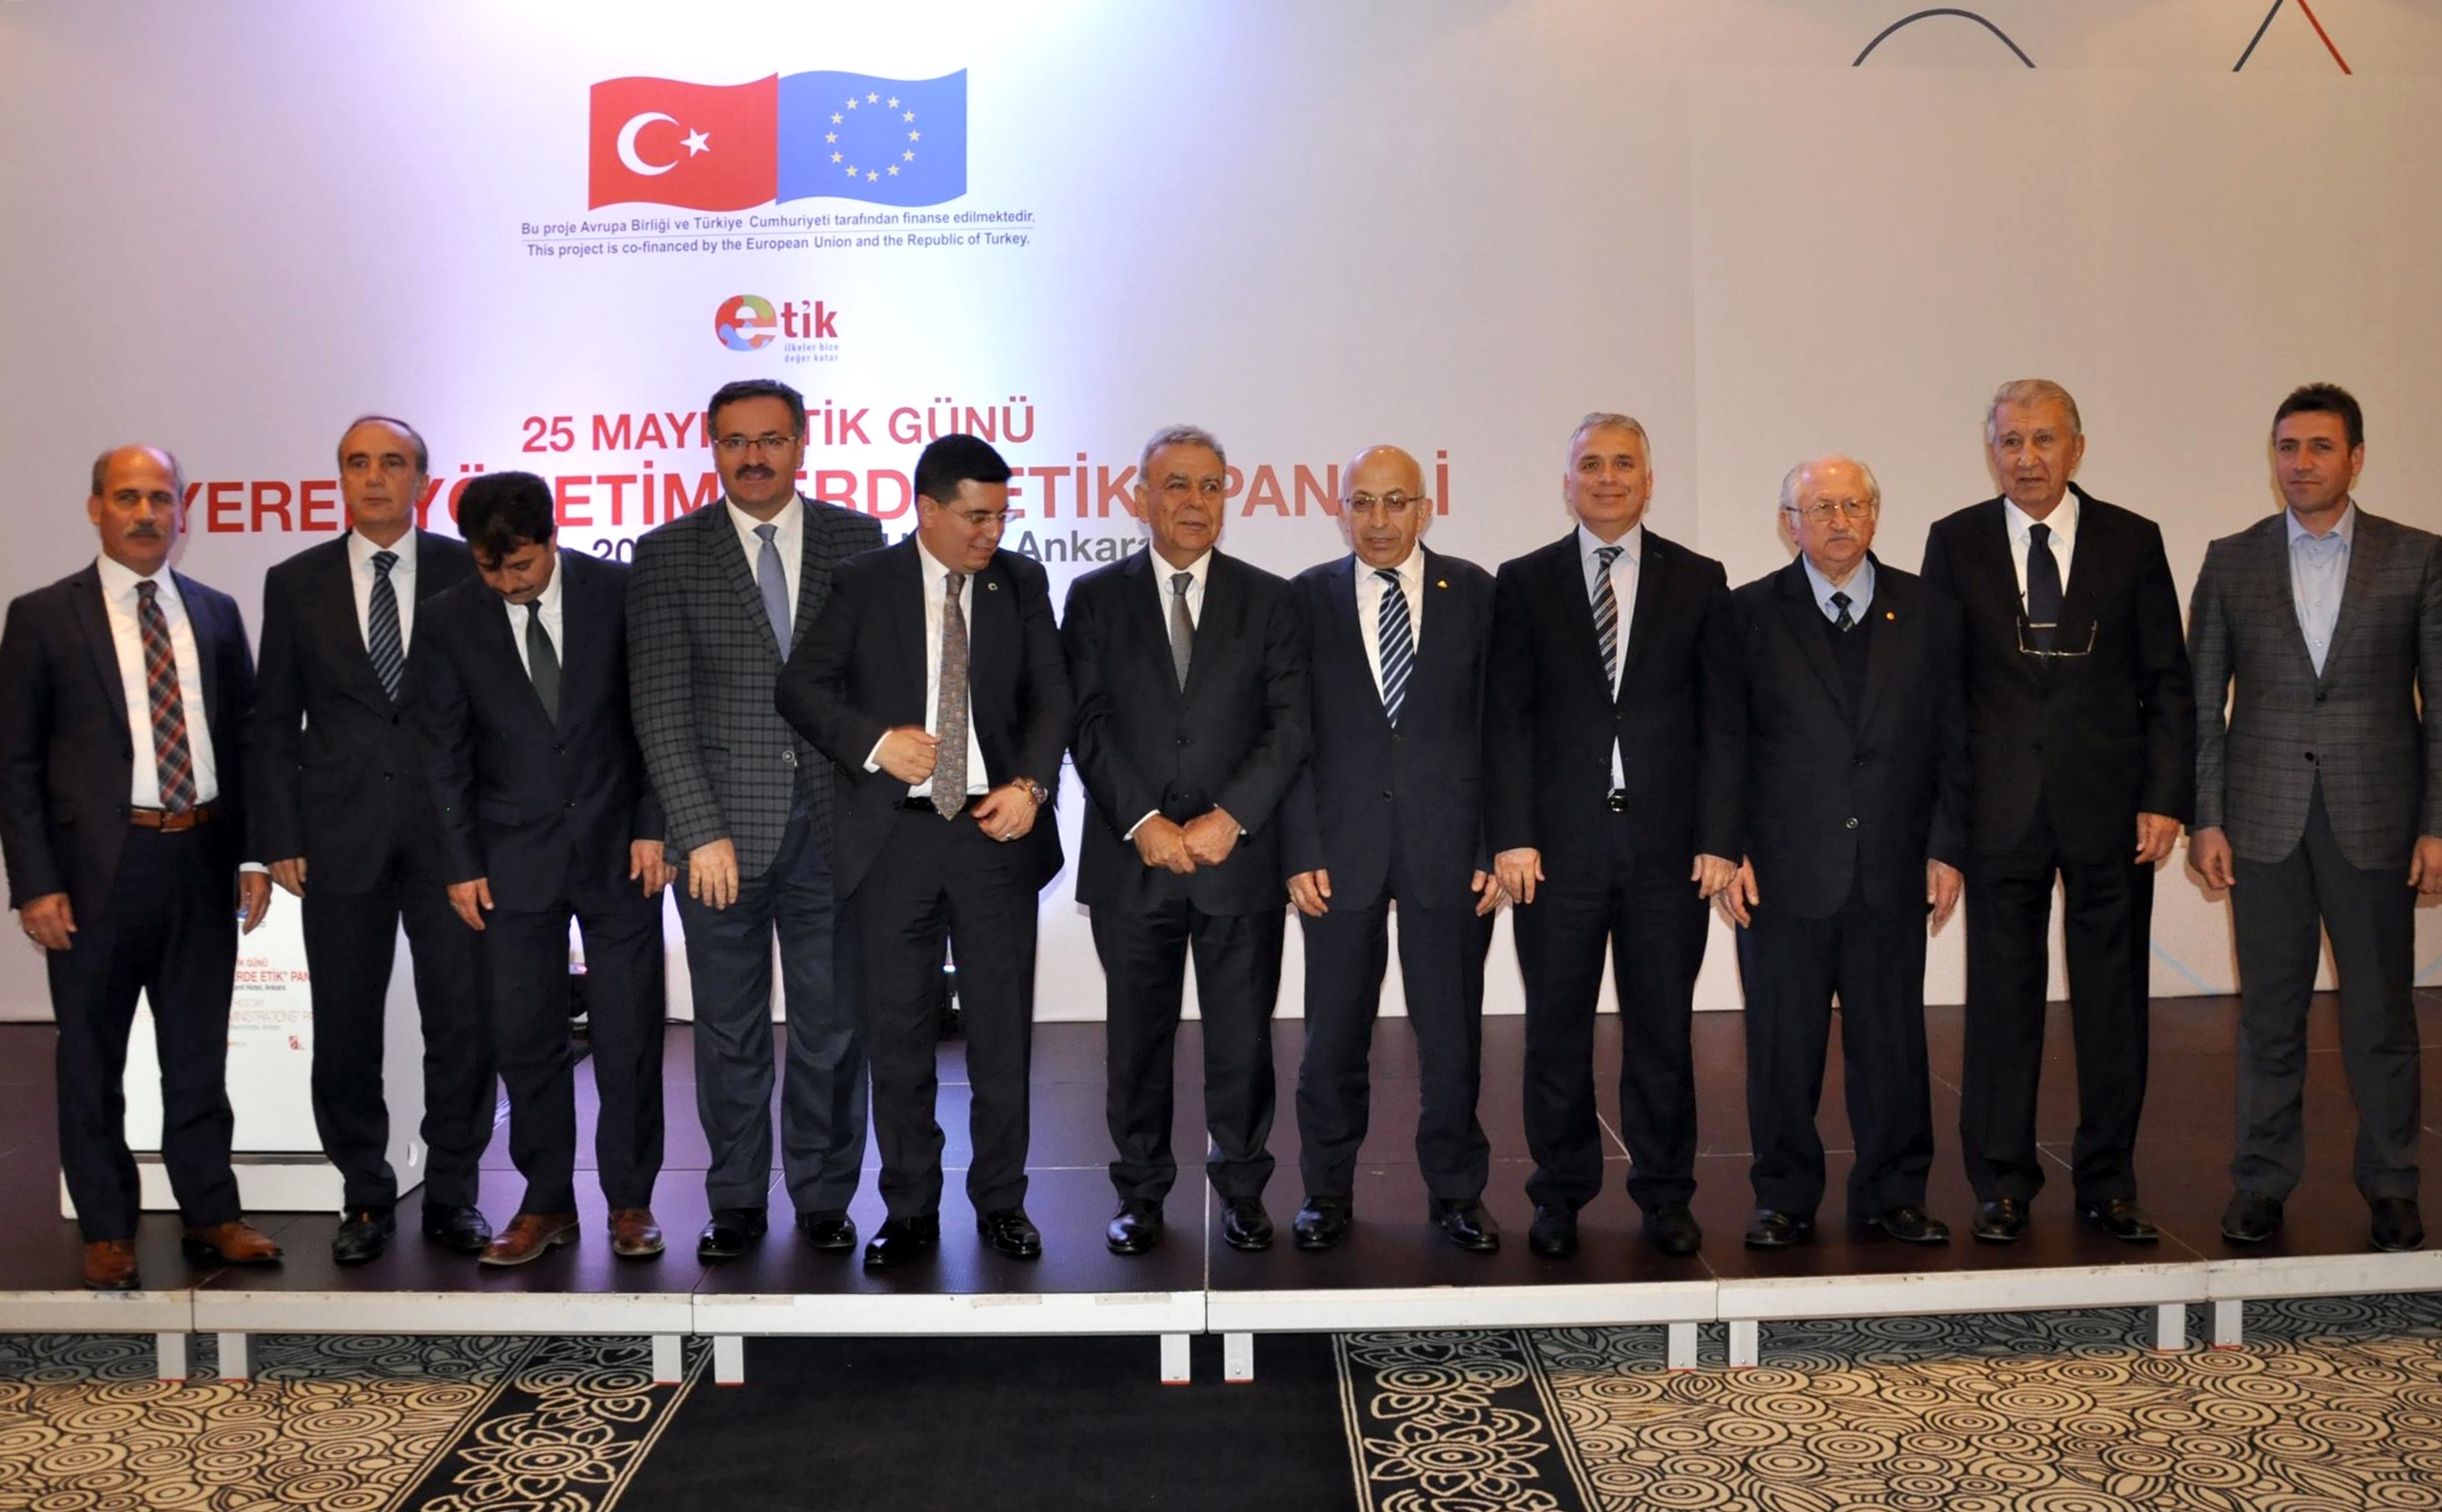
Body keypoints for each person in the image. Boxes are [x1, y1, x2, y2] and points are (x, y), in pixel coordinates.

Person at [778, 434, 1071, 1267]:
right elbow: (799, 686)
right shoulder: (865, 581)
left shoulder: (1021, 582)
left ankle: (1002, 1202)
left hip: (994, 834)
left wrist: (1031, 785)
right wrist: (876, 743)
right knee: (897, 1036)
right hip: (894, 841)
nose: (992, 532)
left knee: (1001, 1036)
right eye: (976, 516)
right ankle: (909, 1207)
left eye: (1001, 516)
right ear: (928, 509)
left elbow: (1054, 694)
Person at [1920, 379, 2194, 1246]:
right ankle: (2002, 1182)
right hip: (1999, 810)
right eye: (2011, 441)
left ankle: (2109, 1180)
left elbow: (2168, 681)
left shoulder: (2132, 539)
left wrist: (2164, 797)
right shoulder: (1955, 540)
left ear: (2077, 447)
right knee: (2002, 1002)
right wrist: (1944, 825)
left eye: (2044, 439)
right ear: (1991, 450)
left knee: (2113, 1000)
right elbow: (1938, 694)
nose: (2027, 458)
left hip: (2111, 810)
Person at [0, 446, 280, 1289]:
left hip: (201, 858)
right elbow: (15, 761)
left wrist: (253, 850)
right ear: (95, 508)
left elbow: (247, 742)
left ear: (183, 512)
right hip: (94, 874)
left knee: (197, 1054)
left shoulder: (216, 612)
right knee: (91, 1057)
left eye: (161, 497)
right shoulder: (42, 615)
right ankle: (107, 1227)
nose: (146, 513)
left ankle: (211, 1212)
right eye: (127, 497)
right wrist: (35, 882)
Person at [628, 379, 882, 1260]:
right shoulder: (667, 553)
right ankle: (735, 1198)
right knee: (729, 1031)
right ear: (712, 447)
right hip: (718, 839)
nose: (753, 457)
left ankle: (824, 1195)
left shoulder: (859, 538)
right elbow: (658, 705)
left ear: (802, 443)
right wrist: (698, 829)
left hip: (835, 828)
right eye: (735, 441)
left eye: (771, 439)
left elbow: (876, 687)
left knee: (832, 1028)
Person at [2189, 383, 2439, 1254]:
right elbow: (2203, 704)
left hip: (2378, 819)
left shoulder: (2418, 558)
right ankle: (2261, 1182)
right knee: (2269, 1015)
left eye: (2320, 447)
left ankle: (2393, 1184)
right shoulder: (2232, 560)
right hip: (2260, 822)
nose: (2301, 463)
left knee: (2382, 1017)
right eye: (2288, 447)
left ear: (2356, 459)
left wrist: (2437, 824)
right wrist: (2206, 817)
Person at [1487, 413, 1741, 1260]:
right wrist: (1512, 834)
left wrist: (1720, 835)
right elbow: (1508, 720)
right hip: (1557, 852)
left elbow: (1723, 720)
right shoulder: (1524, 581)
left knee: (1662, 1029)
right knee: (1555, 1030)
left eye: (1623, 463)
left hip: (1669, 851)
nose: (1606, 478)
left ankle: (1665, 1193)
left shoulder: (1700, 579)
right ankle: (1559, 1193)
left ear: (1649, 480)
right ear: (1567, 483)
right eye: (1590, 464)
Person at [251, 416, 494, 1265]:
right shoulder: (295, 581)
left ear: (423, 480)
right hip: (336, 837)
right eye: (357, 463)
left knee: (462, 1020)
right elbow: (272, 721)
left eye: (392, 462)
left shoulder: (468, 569)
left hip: (453, 843)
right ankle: (363, 1189)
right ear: (341, 479)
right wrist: (275, 834)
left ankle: (454, 1189)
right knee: (345, 1024)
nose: (374, 477)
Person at [417, 472, 674, 1265]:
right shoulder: (449, 617)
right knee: (525, 1038)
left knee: (629, 1035)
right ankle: (546, 1201)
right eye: (489, 567)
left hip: (621, 851)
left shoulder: (621, 592)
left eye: (521, 564)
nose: (507, 582)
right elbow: (443, 750)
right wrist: (460, 861)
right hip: (508, 857)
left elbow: (658, 716)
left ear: (553, 537)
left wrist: (655, 824)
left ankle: (631, 1199)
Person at [1065, 424, 1310, 1255]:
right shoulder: (1094, 598)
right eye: (1176, 484)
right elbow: (1087, 723)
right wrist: (1143, 822)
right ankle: (1139, 1193)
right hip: (1133, 861)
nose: (1195, 501)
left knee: (1242, 1038)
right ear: (1141, 497)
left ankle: (1243, 1188)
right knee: (1137, 1042)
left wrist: (1230, 815)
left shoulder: (1270, 598)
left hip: (1237, 860)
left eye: (1210, 485)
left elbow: (1289, 724)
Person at [1715, 456, 1969, 1248]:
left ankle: (1894, 1193)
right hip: (1782, 870)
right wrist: (1728, 847)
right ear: (1788, 522)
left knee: (1892, 1042)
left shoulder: (1928, 611)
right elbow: (1724, 741)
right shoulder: (1748, 612)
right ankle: (1784, 1196)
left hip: (1893, 863)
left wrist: (1946, 846)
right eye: (1819, 507)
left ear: (1875, 516)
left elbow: (1956, 739)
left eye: (1852, 505)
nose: (1837, 520)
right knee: (1782, 1044)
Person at [1281, 444, 1504, 1253]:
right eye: (1363, 502)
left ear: (1424, 508)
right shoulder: (1304, 598)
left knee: (1452, 1033)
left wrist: (1493, 844)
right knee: (1332, 1036)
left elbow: (1501, 729)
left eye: (1396, 501)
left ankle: (1457, 1191)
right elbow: (1287, 734)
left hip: (1452, 848)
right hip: (1338, 851)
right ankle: (1326, 1190)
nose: (1379, 519)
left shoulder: (1476, 592)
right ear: (1341, 510)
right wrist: (1297, 846)